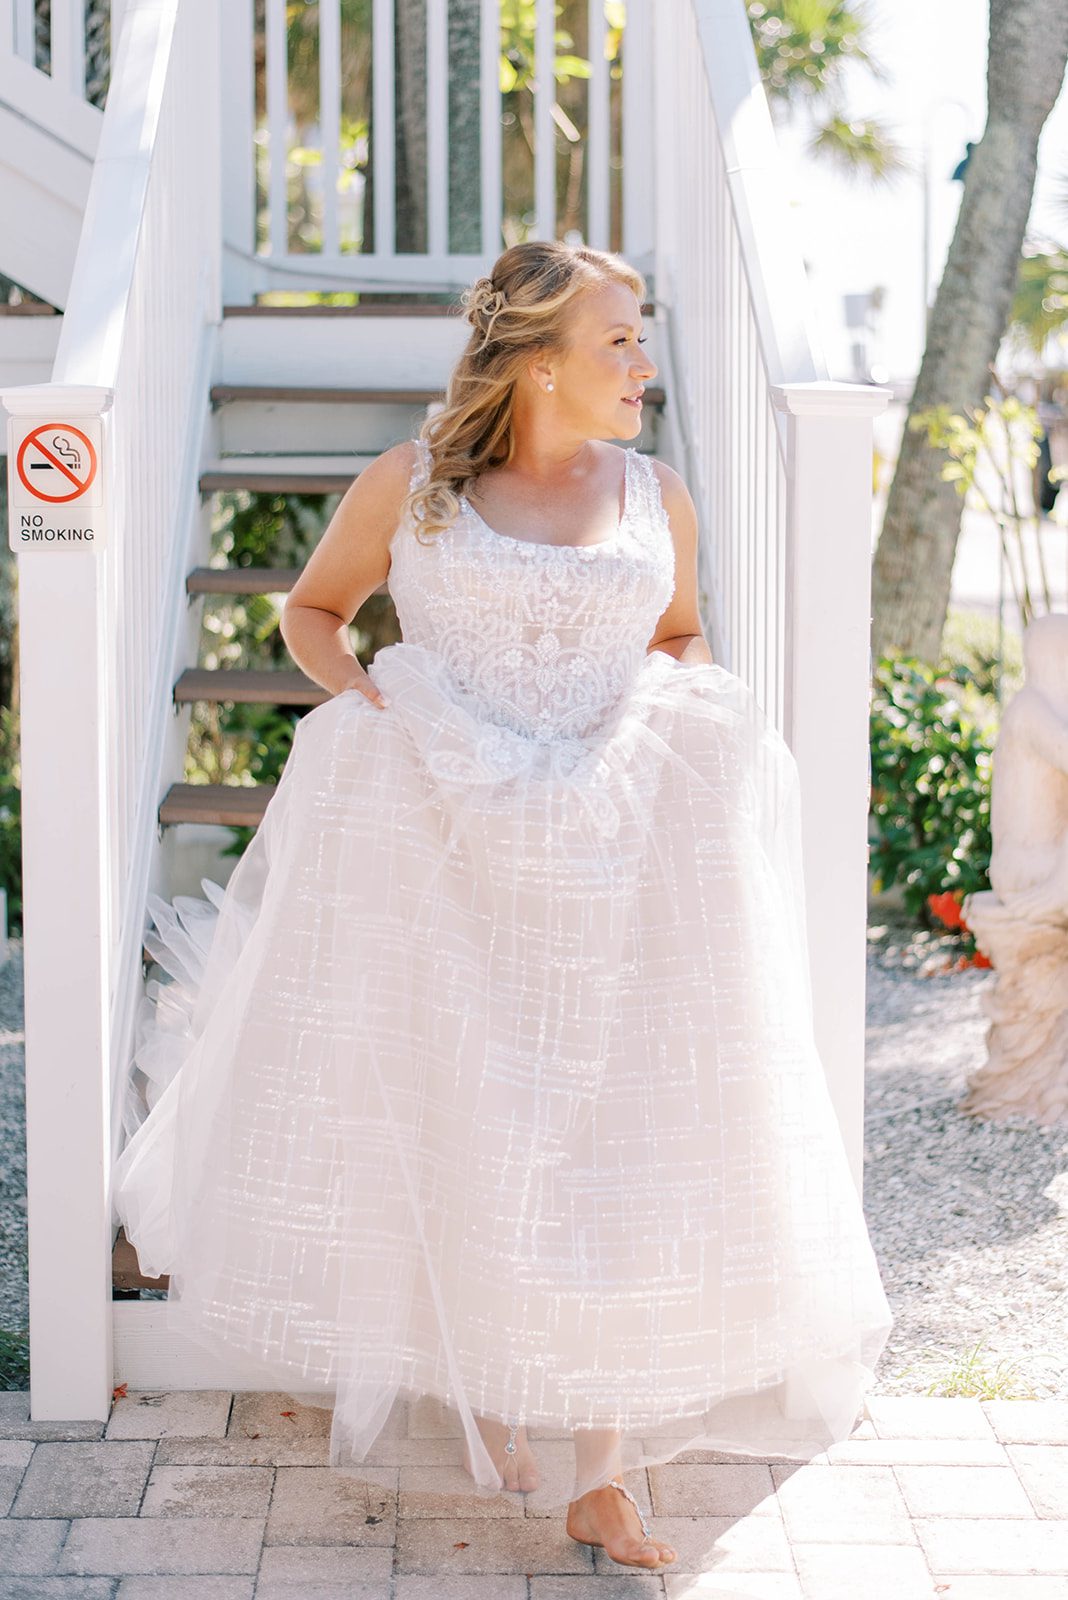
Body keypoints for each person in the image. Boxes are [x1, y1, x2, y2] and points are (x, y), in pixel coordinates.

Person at [112, 240, 894, 1573]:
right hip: (443, 843)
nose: (643, 364)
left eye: (642, 337)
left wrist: (683, 705)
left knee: (613, 1139)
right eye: (619, 341)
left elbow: (678, 634)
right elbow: (314, 613)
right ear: (538, 360)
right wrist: (365, 706)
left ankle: (604, 1471)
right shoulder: (411, 490)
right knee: (460, 1110)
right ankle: (478, 1376)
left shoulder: (658, 496)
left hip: (611, 842)